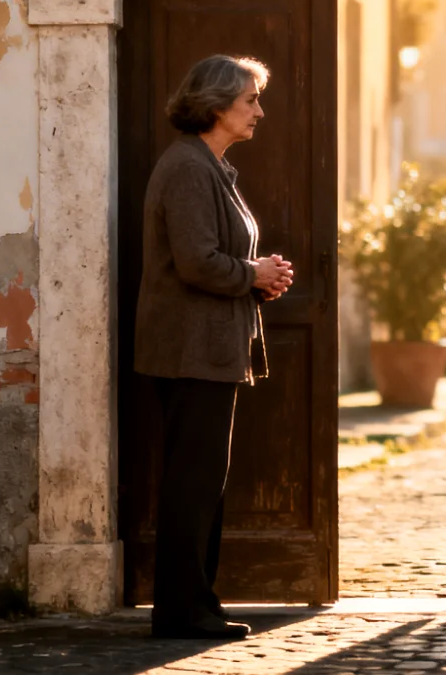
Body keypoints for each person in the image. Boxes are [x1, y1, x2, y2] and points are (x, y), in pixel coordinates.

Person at [134, 54, 295, 639]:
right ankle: (181, 611)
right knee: (192, 482)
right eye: (250, 100)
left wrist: (259, 276)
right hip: (188, 350)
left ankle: (197, 601)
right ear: (217, 103)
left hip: (211, 348)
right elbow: (196, 260)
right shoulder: (187, 168)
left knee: (204, 481)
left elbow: (212, 258)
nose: (259, 110)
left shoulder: (211, 166)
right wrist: (250, 274)